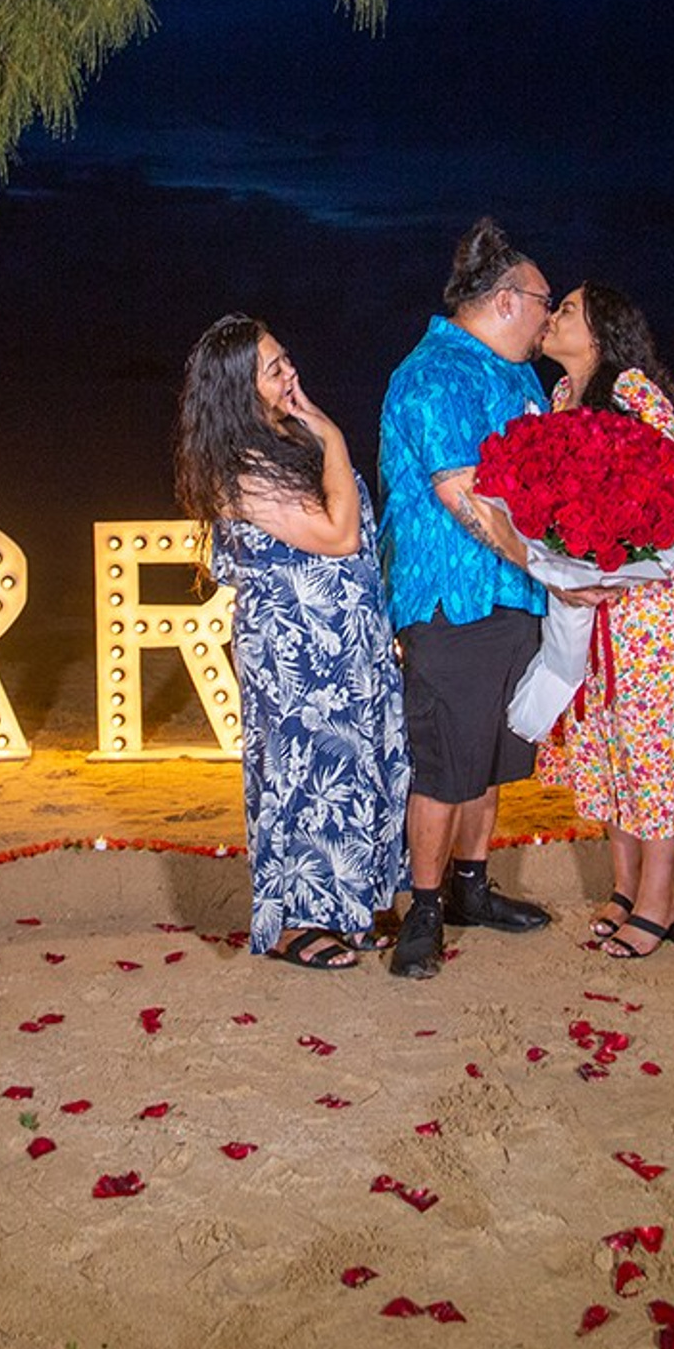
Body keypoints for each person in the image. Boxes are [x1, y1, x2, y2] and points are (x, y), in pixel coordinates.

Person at [175, 314, 410, 970]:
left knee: (356, 768)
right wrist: (334, 433)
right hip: (297, 653)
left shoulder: (287, 439)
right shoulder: (244, 467)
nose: (290, 372)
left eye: (286, 358)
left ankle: (348, 907)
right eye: (273, 368)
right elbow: (338, 536)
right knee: (304, 776)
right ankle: (293, 922)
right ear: (236, 390)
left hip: (347, 643)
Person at [377, 218, 559, 979]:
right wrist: (553, 566)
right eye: (546, 301)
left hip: (517, 594)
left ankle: (472, 889)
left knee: (489, 759)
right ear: (510, 299)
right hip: (454, 599)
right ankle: (422, 907)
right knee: (446, 762)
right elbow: (468, 498)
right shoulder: (433, 373)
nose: (551, 317)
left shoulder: (519, 374)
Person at [534, 284, 674, 959]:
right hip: (590, 606)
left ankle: (659, 898)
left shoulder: (634, 392)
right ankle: (626, 885)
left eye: (570, 311)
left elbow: (668, 494)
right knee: (607, 744)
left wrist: (612, 562)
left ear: (603, 332)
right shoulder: (557, 402)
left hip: (646, 610)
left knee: (652, 750)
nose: (553, 319)